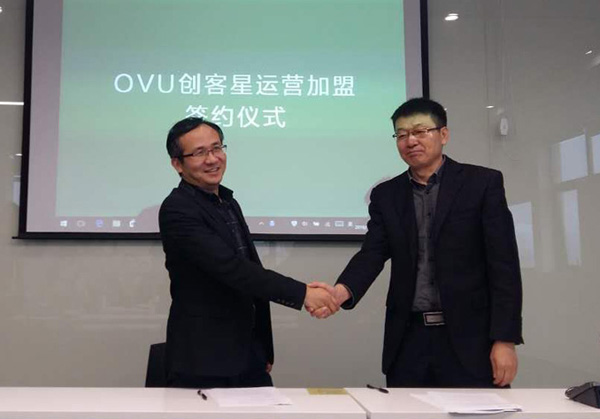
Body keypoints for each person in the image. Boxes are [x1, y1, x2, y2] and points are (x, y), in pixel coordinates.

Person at [313, 97, 523, 388]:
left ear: (443, 134)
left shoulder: (482, 184)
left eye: (420, 131)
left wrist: (505, 339)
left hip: (471, 340)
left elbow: (504, 266)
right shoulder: (386, 195)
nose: (410, 141)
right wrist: (340, 292)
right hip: (409, 341)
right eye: (401, 134)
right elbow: (372, 254)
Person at [159, 117, 338, 388]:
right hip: (205, 359)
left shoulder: (228, 202)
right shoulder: (177, 209)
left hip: (248, 353)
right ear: (177, 164)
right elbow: (232, 269)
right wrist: (303, 294)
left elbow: (251, 275)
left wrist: (263, 346)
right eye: (199, 152)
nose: (212, 159)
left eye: (217, 148)